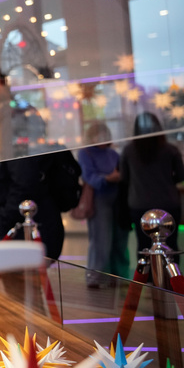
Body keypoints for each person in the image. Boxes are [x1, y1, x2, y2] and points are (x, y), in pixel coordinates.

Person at [0, 70, 65, 260]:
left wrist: (3, 218)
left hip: (17, 230)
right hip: (3, 229)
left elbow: (24, 177)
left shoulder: (11, 121)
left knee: (24, 286)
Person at [120, 111, 184, 257]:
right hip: (168, 203)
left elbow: (124, 177)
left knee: (144, 247)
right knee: (170, 245)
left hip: (139, 203)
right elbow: (181, 176)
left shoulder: (129, 150)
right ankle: (172, 278)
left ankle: (146, 279)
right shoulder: (170, 150)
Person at [77, 122, 131, 286]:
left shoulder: (113, 153)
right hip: (99, 200)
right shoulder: (85, 153)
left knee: (120, 239)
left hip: (118, 199)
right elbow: (88, 176)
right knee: (101, 240)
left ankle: (119, 276)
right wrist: (107, 178)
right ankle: (96, 277)